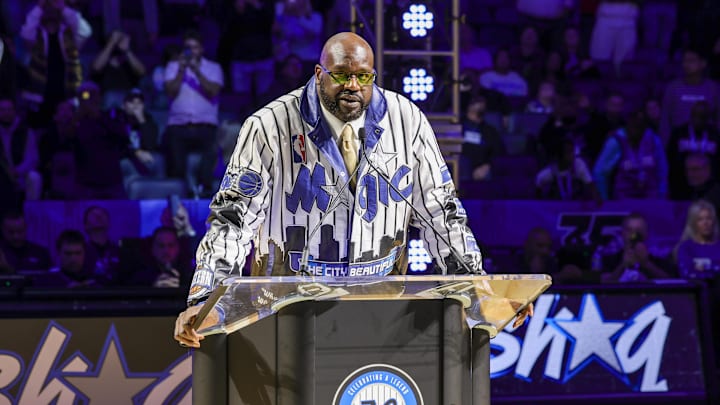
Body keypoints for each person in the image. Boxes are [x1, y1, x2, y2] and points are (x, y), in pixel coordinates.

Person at [174, 32, 533, 347]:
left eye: (363, 76)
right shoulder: (268, 126)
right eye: (342, 75)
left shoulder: (407, 120)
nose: (353, 86)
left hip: (382, 314)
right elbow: (233, 220)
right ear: (319, 75)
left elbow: (441, 211)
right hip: (285, 314)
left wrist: (478, 289)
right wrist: (205, 299)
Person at [163, 29, 224, 197]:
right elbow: (170, 91)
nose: (192, 51)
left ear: (201, 49)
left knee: (211, 150)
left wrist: (196, 71)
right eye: (188, 47)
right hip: (179, 126)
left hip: (206, 126)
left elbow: (213, 91)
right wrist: (182, 71)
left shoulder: (213, 68)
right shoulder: (173, 66)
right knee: (176, 166)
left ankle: (205, 191)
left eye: (195, 47)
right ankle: (179, 195)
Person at [20, 0, 92, 129]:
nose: (51, 10)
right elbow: (26, 31)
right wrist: (39, 6)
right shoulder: (35, 35)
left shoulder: (70, 34)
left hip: (67, 95)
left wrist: (63, 7)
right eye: (48, 7)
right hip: (39, 96)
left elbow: (85, 31)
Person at [593, 110, 668, 200]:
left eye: (640, 126)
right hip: (623, 198)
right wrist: (604, 201)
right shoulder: (615, 141)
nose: (636, 131)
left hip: (650, 197)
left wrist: (661, 198)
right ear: (627, 124)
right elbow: (599, 173)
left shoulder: (654, 140)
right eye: (634, 125)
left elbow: (663, 172)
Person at [660, 47, 720, 145]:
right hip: (678, 145)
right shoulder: (673, 88)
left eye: (691, 60)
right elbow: (665, 122)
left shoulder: (714, 88)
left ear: (703, 63)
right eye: (684, 60)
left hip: (708, 144)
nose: (686, 64)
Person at [667, 101, 720, 199]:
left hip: (709, 188)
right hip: (681, 185)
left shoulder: (715, 135)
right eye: (695, 116)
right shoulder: (679, 133)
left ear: (708, 118)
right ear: (691, 116)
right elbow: (671, 159)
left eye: (702, 117)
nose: (698, 120)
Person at [600, 212, 672, 282]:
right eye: (629, 230)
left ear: (646, 233)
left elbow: (671, 282)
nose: (634, 234)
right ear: (622, 233)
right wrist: (622, 265)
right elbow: (602, 283)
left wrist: (646, 263)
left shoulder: (659, 260)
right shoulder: (609, 259)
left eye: (639, 230)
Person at [90, 30, 146, 109]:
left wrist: (127, 50)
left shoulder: (129, 60)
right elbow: (96, 68)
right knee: (111, 96)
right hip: (106, 99)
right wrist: (112, 43)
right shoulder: (103, 58)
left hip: (128, 100)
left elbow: (142, 72)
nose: (118, 42)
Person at [0, 97, 42, 200]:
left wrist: (17, 171)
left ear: (14, 111)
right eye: (2, 110)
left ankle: (31, 211)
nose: (6, 113)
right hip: (2, 174)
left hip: (21, 175)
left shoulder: (26, 132)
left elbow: (32, 158)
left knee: (34, 178)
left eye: (9, 110)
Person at [460, 96, 504, 181]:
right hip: (460, 167)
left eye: (481, 102)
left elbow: (498, 153)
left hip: (482, 169)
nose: (479, 105)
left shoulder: (490, 130)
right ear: (469, 106)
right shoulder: (457, 126)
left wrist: (488, 166)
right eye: (475, 102)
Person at [675, 200, 720, 279]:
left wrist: (704, 268)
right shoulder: (686, 248)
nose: (705, 223)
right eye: (700, 219)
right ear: (693, 223)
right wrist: (714, 268)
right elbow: (687, 274)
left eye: (708, 218)